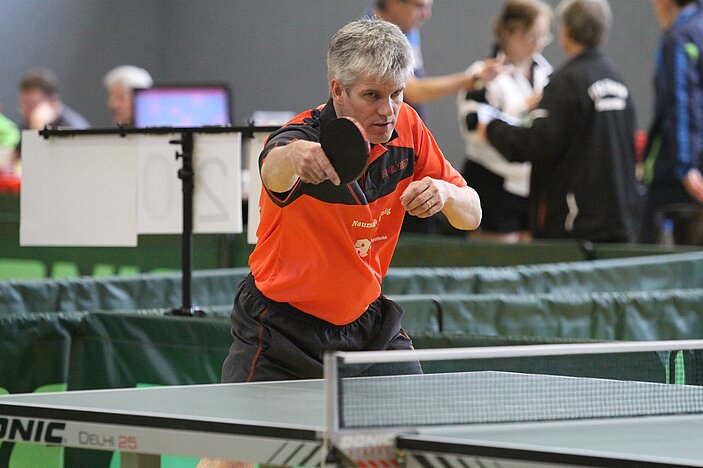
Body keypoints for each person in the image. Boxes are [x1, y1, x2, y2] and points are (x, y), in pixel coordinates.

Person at [197, 17, 481, 468]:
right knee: (231, 456)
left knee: (418, 443)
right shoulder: (301, 138)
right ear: (338, 90)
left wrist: (446, 194)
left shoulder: (408, 129)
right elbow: (272, 169)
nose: (387, 110)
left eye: (397, 94)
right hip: (280, 327)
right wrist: (295, 157)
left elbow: (473, 213)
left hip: (365, 325)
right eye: (372, 96)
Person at [477, 0, 641, 243]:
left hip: (576, 224)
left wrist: (493, 128)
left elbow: (537, 142)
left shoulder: (567, 82)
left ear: (566, 32)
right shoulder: (618, 81)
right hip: (621, 220)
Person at [371, 0, 499, 234]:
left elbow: (472, 214)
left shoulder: (408, 32)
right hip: (380, 161)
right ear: (393, 3)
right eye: (419, 6)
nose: (426, 14)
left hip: (407, 154)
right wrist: (472, 79)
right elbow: (415, 91)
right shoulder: (372, 39)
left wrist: (447, 192)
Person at [458, 0, 554, 243]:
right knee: (497, 256)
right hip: (493, 182)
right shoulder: (483, 72)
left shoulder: (546, 73)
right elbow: (474, 127)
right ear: (509, 32)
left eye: (543, 36)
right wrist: (523, 108)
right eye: (531, 36)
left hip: (532, 186)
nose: (538, 44)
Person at [639, 0, 703, 244]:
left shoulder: (680, 38)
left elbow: (680, 101)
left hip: (678, 172)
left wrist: (685, 165)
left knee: (645, 249)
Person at [14, 68, 90, 160]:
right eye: (23, 105)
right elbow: (16, 158)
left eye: (32, 105)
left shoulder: (74, 129)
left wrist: (38, 129)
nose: (25, 111)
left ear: (53, 103)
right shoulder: (30, 124)